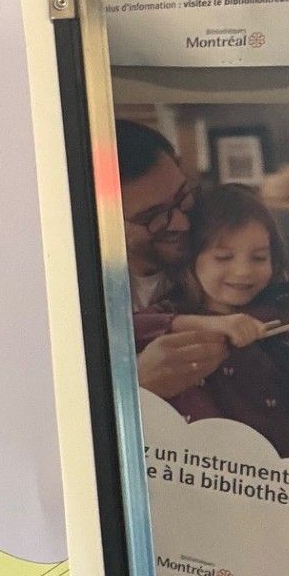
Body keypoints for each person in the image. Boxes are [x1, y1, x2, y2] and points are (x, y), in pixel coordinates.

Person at [134, 184, 289, 457]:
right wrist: (208, 324)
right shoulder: (170, 315)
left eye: (259, 257)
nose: (243, 271)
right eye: (224, 257)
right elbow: (131, 328)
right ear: (191, 259)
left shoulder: (285, 321)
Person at [118, 117, 231, 400]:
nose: (182, 223)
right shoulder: (64, 296)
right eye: (153, 216)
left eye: (182, 196)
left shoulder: (227, 243)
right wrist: (136, 386)